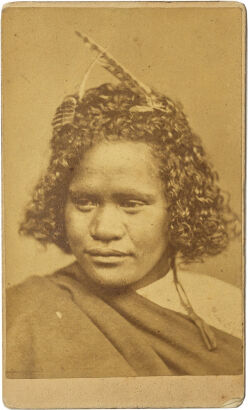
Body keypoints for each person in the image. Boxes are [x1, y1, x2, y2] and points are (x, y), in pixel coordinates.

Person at [6, 34, 243, 378]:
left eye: (131, 203)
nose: (103, 229)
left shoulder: (229, 308)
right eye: (84, 201)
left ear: (178, 208)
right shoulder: (20, 316)